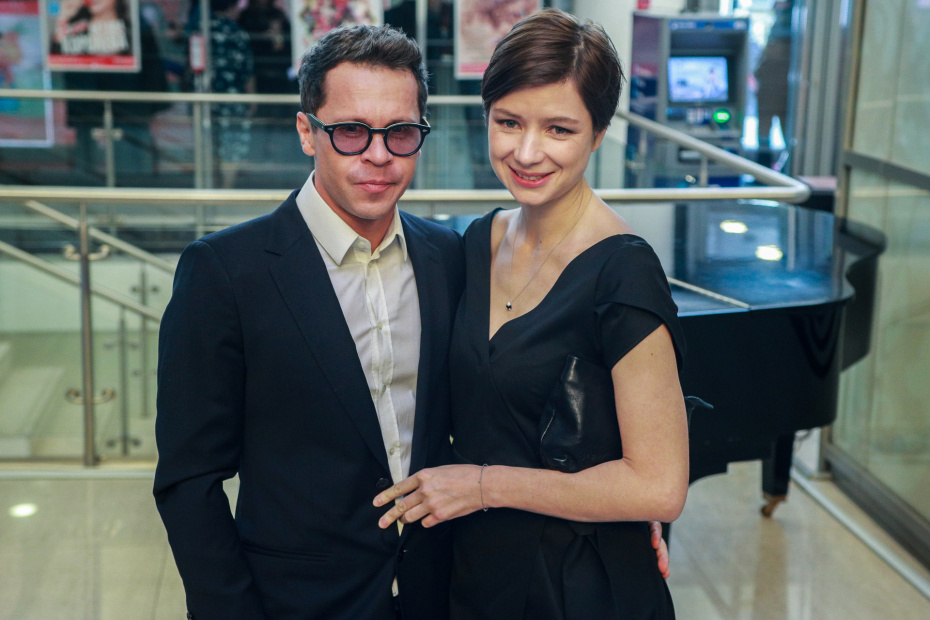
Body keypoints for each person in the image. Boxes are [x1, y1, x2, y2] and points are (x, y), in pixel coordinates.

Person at [374, 9, 689, 619]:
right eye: (509, 122)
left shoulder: (624, 270)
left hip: (577, 583)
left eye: (559, 129)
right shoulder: (477, 242)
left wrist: (483, 485)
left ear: (598, 134)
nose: (526, 152)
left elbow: (659, 487)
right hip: (479, 568)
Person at [153, 24, 464, 620]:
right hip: (295, 601)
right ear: (306, 132)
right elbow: (189, 479)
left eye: (400, 132)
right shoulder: (225, 271)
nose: (378, 155)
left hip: (435, 591)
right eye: (351, 131)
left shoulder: (447, 256)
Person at [208, 0, 255, 188]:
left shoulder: (202, 30)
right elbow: (247, 70)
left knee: (212, 144)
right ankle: (226, 188)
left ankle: (213, 187)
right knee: (232, 146)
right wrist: (252, 98)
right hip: (235, 99)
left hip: (207, 99)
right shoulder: (238, 33)